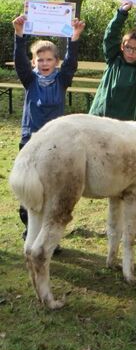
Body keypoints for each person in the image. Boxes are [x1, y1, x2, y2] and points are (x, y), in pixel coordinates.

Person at [12, 12, 85, 239]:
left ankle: (48, 234)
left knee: (52, 190)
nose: (44, 63)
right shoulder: (30, 80)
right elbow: (19, 62)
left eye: (49, 60)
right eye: (40, 60)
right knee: (30, 188)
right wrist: (19, 34)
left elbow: (71, 63)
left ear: (56, 62)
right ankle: (29, 229)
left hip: (56, 144)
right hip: (31, 140)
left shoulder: (62, 80)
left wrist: (74, 37)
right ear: (34, 62)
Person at [89, 1, 136, 120]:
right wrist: (122, 13)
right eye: (128, 47)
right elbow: (110, 35)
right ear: (122, 47)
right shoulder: (113, 59)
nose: (131, 52)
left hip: (126, 125)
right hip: (99, 118)